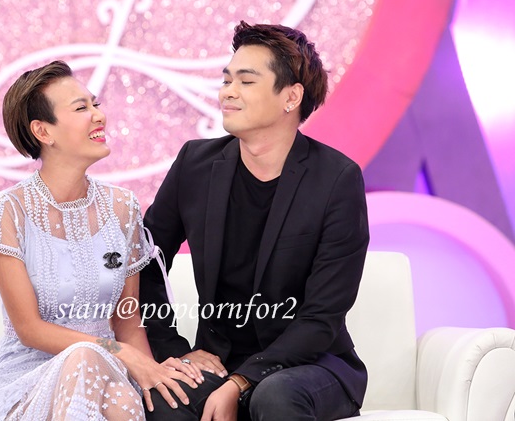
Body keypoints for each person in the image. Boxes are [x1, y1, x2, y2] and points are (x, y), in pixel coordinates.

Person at [140, 21, 370, 420]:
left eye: (246, 82)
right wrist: (174, 350)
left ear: (291, 97)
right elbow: (144, 262)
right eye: (226, 80)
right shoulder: (195, 164)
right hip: (219, 359)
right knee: (166, 399)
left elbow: (322, 316)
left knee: (274, 396)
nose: (227, 92)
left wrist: (243, 381)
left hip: (311, 364)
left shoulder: (336, 179)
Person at [0, 60, 201, 420]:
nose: (99, 116)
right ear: (43, 131)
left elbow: (126, 319)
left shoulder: (122, 207)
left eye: (95, 104)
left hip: (107, 370)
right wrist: (118, 352)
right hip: (28, 379)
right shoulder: (7, 210)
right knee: (88, 361)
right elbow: (29, 329)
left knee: (121, 396)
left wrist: (150, 373)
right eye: (81, 108)